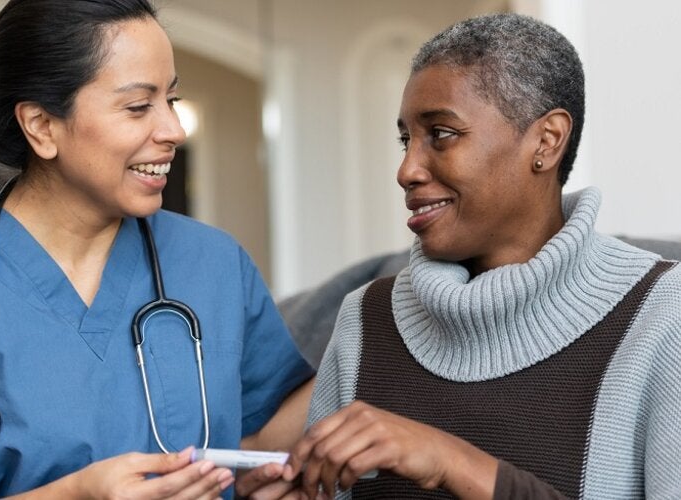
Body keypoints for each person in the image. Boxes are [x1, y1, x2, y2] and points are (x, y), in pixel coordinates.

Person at [237, 12, 681, 500]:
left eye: (441, 134)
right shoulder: (365, 317)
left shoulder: (663, 314)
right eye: (406, 139)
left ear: (546, 140)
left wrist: (453, 463)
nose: (406, 169)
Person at [0, 1, 314, 498]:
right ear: (40, 125)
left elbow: (257, 439)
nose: (173, 130)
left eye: (172, 99)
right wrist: (79, 494)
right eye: (138, 106)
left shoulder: (214, 264)